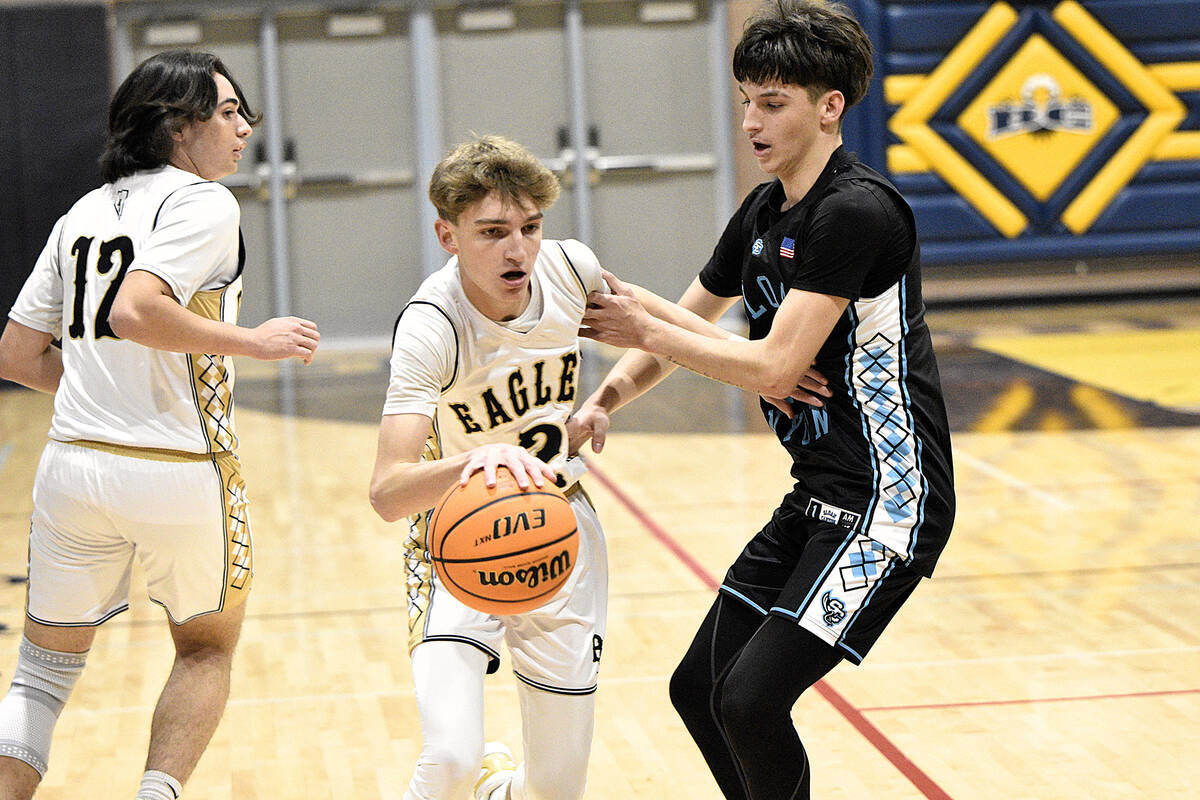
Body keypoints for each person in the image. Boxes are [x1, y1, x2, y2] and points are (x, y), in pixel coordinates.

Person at [572, 2, 956, 798]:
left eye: (772, 102)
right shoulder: (761, 212)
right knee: (698, 694)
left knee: (749, 702)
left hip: (889, 498)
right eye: (746, 98)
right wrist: (607, 394)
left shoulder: (856, 211)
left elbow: (774, 369)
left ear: (829, 107)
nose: (750, 119)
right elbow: (685, 323)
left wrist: (671, 333)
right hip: (818, 494)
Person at [0, 50, 319, 800]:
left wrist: (90, 387)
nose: (245, 128)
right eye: (230, 111)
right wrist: (255, 341)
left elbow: (16, 353)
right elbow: (136, 310)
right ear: (178, 124)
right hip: (179, 467)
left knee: (42, 669)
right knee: (206, 650)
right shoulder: (204, 204)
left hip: (73, 466)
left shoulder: (81, 211)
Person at [368, 135, 613, 800]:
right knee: (450, 758)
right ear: (448, 235)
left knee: (555, 792)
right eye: (493, 232)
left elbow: (659, 327)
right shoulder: (431, 324)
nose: (518, 250)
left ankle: (495, 794)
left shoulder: (571, 271)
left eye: (531, 228)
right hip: (455, 546)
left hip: (557, 535)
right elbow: (388, 493)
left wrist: (602, 401)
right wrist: (481, 457)